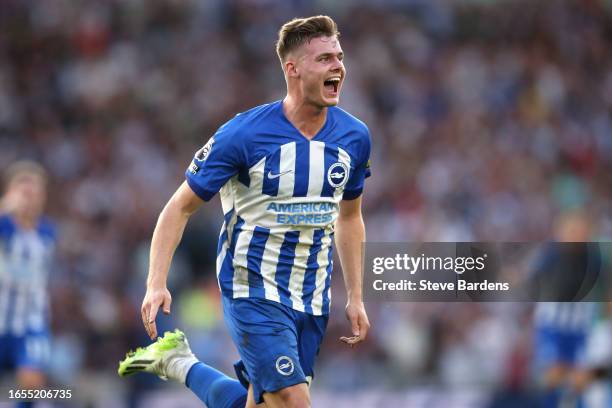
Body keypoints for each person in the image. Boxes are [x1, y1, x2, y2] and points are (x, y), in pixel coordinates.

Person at [119, 15, 372, 408]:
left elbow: (350, 217)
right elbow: (178, 208)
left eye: (338, 56)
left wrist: (355, 295)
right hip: (251, 289)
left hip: (311, 296)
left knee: (265, 402)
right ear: (293, 69)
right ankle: (179, 362)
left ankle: (179, 362)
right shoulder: (243, 134)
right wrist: (156, 282)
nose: (337, 65)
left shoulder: (355, 136)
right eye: (324, 58)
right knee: (292, 399)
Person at [0, 161, 55, 408]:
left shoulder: (47, 231)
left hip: (31, 321)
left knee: (32, 384)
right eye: (24, 193)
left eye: (34, 194)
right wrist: (6, 207)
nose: (29, 200)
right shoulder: (5, 227)